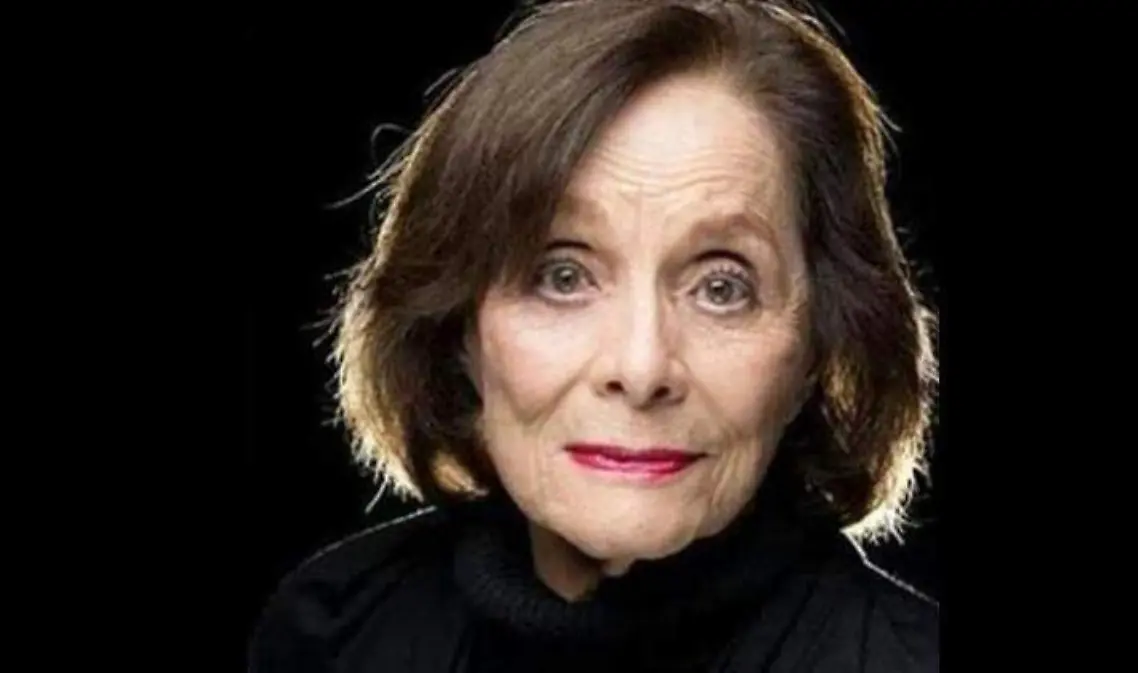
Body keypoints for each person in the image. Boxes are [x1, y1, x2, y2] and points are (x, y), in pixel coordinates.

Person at [249, 0, 939, 670]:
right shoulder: (332, 633)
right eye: (563, 276)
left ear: (817, 349)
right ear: (459, 328)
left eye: (722, 287)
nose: (641, 368)